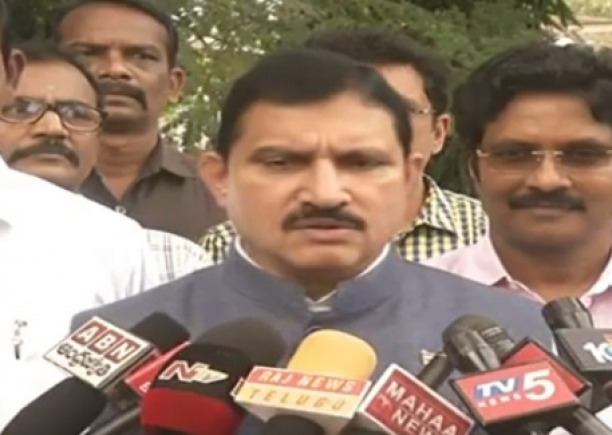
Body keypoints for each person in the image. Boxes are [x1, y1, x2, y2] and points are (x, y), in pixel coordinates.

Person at [73, 48, 552, 435]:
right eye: (282, 163)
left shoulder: (515, 338)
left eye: (362, 163)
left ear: (409, 177)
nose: (326, 193)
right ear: (219, 179)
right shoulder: (118, 337)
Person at [424, 41, 612, 432]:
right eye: (514, 155)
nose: (547, 180)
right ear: (474, 170)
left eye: (583, 155)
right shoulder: (408, 302)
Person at [0, 2, 160, 427]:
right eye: (26, 110)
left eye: (76, 114)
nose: (52, 128)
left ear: (9, 72)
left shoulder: (112, 241)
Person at [200, 29, 487, 263]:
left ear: (439, 132)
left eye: (400, 110)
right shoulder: (230, 244)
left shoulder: (486, 232)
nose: (369, 128)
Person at [0, 41, 213, 283]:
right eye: (21, 110)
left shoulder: (172, 263)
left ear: (98, 135)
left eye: (77, 114)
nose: (53, 128)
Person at [46, 0, 226, 241]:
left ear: (174, 84)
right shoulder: (16, 183)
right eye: (88, 53)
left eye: (142, 56)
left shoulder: (220, 197)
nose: (115, 69)